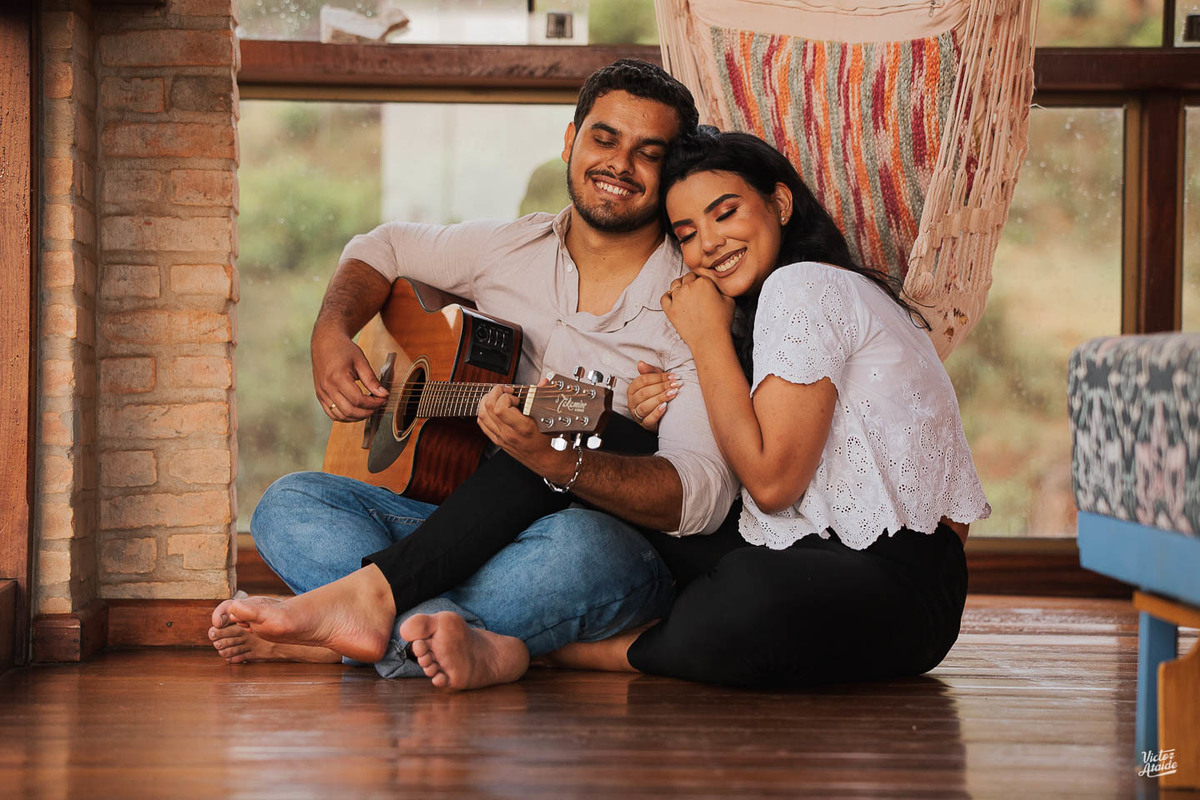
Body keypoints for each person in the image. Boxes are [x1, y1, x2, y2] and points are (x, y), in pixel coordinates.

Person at [207, 60, 739, 685]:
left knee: (586, 551)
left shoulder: (693, 301)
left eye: (648, 152)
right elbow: (381, 246)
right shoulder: (504, 249)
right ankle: (450, 636)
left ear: (670, 171)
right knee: (288, 504)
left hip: (589, 541)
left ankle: (356, 626)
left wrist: (566, 460)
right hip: (465, 529)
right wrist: (331, 334)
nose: (619, 165)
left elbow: (703, 495)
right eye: (604, 138)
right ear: (570, 142)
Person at [404, 128, 992, 689]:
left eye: (725, 212)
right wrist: (658, 407)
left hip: (897, 582)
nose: (707, 244)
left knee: (747, 597)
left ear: (780, 204)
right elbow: (748, 462)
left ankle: (530, 647)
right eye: (686, 233)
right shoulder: (774, 308)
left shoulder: (805, 287)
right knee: (564, 435)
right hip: (805, 548)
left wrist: (706, 337)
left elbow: (772, 484)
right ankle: (396, 593)